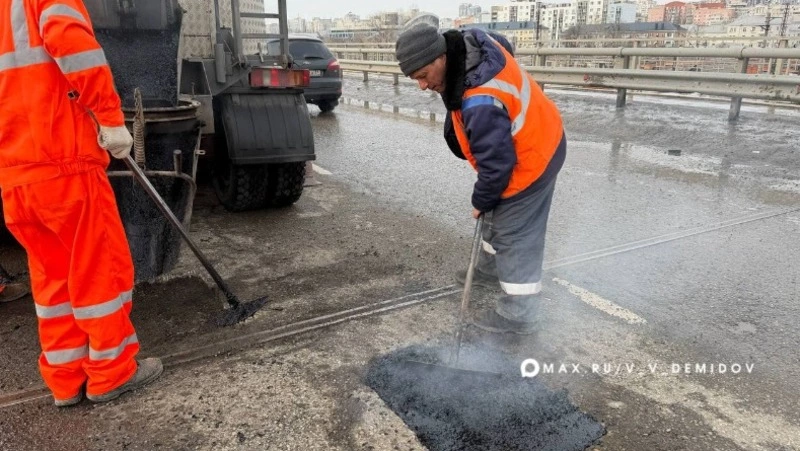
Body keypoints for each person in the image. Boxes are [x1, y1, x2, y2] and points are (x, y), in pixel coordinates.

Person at [0, 0, 162, 407]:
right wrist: (109, 116)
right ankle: (112, 373)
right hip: (63, 163)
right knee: (99, 272)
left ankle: (67, 382)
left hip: (15, 175)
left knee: (53, 279)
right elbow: (72, 42)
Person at [395, 24, 567, 335]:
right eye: (415, 79)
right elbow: (502, 42)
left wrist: (480, 200)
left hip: (534, 156)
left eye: (423, 76)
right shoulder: (471, 42)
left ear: (440, 57)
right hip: (529, 134)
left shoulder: (481, 100)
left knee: (515, 232)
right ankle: (489, 270)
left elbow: (497, 166)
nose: (422, 86)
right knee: (495, 213)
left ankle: (519, 313)